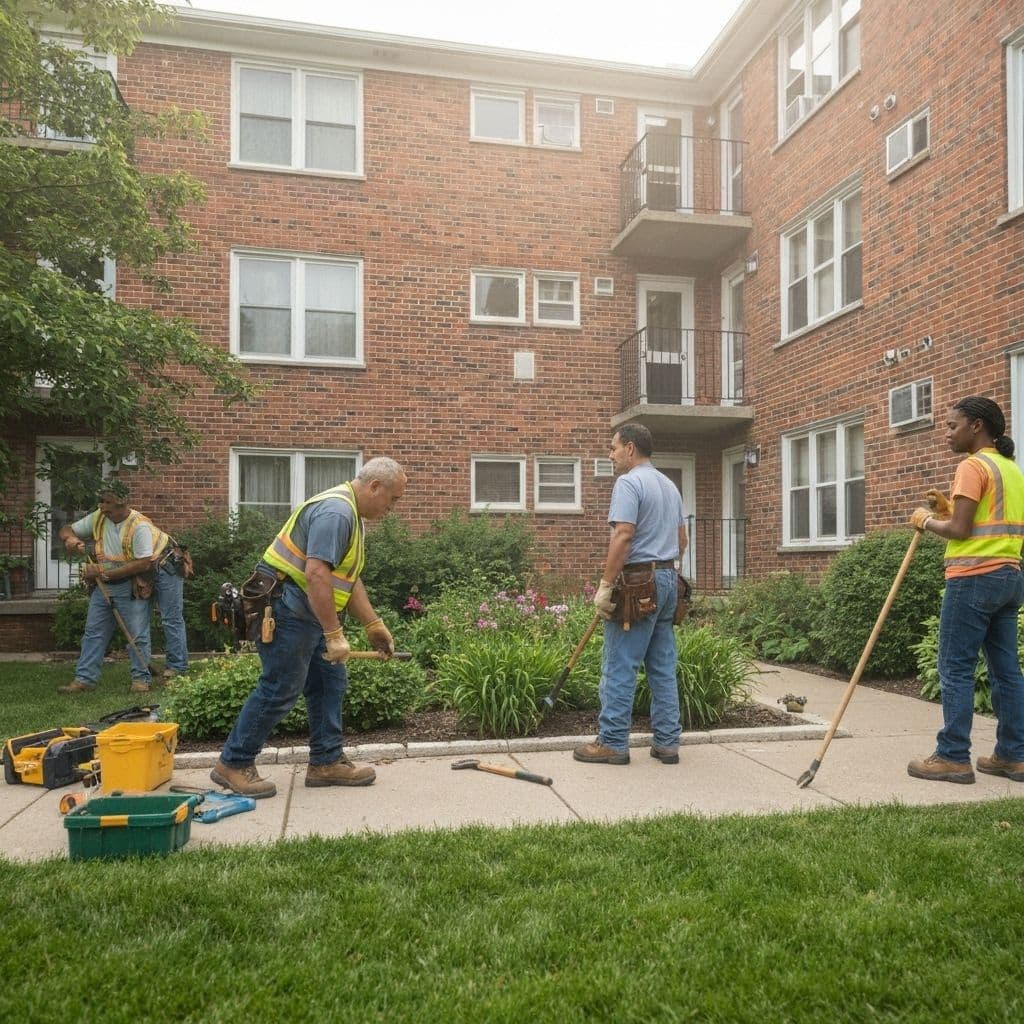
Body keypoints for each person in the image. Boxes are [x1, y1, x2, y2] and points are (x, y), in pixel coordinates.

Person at [211, 457, 407, 798]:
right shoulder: (337, 513)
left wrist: (372, 624)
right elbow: (316, 574)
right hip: (287, 610)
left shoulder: (352, 516)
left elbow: (346, 577)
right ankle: (233, 763)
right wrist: (334, 635)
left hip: (305, 611)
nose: (393, 507)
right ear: (375, 487)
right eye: (393, 499)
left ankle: (326, 761)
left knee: (329, 681)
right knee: (280, 686)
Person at [908, 396, 1024, 784]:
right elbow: (978, 521)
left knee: (954, 666)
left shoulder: (972, 466)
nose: (946, 432)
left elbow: (960, 532)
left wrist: (925, 521)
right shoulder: (1010, 469)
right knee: (1006, 671)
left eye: (951, 425)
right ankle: (1013, 756)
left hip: (972, 578)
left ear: (977, 426)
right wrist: (947, 509)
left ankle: (953, 756)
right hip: (1009, 578)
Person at [574, 424, 687, 766]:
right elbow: (682, 541)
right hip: (669, 579)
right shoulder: (669, 485)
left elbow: (623, 535)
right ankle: (667, 743)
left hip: (639, 582)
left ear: (631, 449)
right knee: (662, 666)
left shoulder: (629, 483)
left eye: (614, 448)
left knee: (620, 663)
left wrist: (606, 586)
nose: (611, 455)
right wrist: (662, 571)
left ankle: (612, 743)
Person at [57, 482, 159, 695]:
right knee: (93, 633)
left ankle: (141, 679)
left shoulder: (139, 526)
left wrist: (102, 573)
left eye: (107, 502)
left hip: (131, 587)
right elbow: (66, 529)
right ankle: (85, 679)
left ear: (122, 503)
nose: (102, 506)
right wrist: (71, 538)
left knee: (137, 635)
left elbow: (143, 563)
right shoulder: (98, 517)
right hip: (102, 588)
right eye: (102, 501)